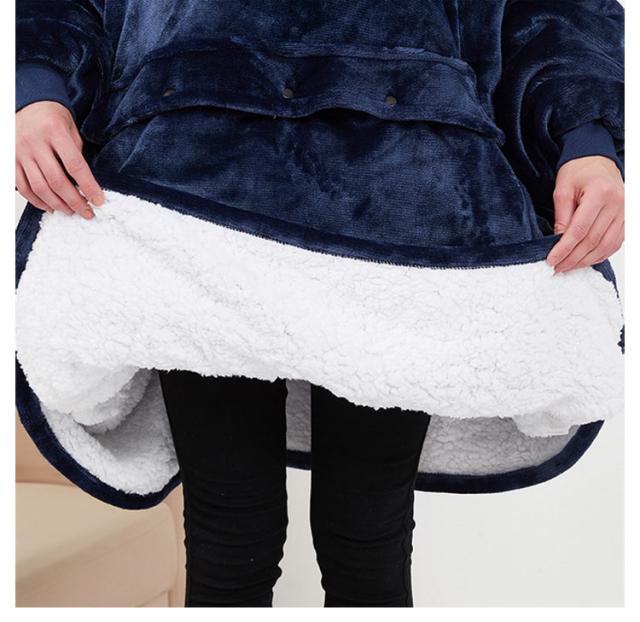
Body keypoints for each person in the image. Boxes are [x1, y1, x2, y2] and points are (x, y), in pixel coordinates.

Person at [15, 0, 624, 608]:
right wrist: (37, 87)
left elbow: (555, 9)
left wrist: (586, 138)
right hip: (199, 170)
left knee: (360, 534)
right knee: (237, 532)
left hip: (399, 183)